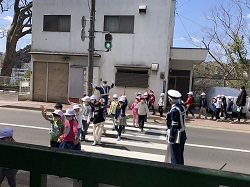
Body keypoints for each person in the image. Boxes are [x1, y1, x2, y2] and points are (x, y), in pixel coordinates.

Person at [165, 89, 187, 165]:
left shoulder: (174, 110)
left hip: (176, 135)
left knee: (175, 158)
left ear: (170, 99)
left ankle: (176, 174)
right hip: (183, 133)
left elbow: (174, 125)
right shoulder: (182, 107)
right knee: (180, 156)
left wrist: (171, 138)